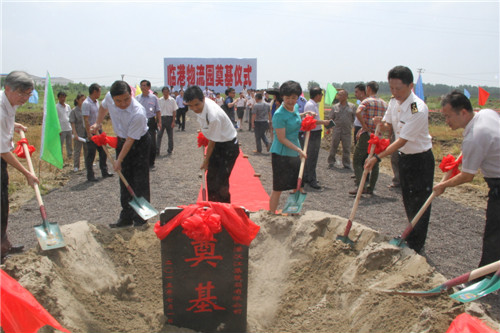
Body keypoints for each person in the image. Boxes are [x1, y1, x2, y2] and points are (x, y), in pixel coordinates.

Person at [365, 66, 434, 253]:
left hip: (420, 160)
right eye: (391, 88)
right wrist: (382, 122)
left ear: (410, 86)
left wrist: (377, 157)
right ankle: (411, 235)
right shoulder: (394, 102)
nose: (394, 93)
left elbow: (402, 139)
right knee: (408, 199)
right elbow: (389, 127)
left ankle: (416, 244)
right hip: (404, 158)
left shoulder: (417, 108)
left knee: (420, 202)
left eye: (399, 89)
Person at [434, 91, 500, 270]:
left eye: (448, 116)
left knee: (494, 233)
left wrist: (443, 185)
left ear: (463, 112)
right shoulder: (486, 113)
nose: (446, 121)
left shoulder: (474, 137)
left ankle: (484, 275)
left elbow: (467, 176)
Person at [92, 80, 151, 228]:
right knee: (124, 179)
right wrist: (98, 123)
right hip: (122, 140)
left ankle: (140, 219)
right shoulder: (109, 98)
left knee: (139, 180)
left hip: (139, 143)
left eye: (126, 99)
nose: (123, 103)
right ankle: (126, 217)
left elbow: (131, 140)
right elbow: (102, 108)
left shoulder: (138, 112)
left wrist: (119, 159)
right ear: (113, 98)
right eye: (119, 101)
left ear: (131, 94)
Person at [268, 81, 330, 214]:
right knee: (278, 187)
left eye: (294, 97)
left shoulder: (295, 108)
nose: (291, 101)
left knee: (298, 185)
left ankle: (294, 212)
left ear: (298, 97)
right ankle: (271, 215)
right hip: (281, 153)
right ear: (282, 97)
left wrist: (305, 114)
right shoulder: (279, 115)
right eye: (287, 98)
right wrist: (299, 150)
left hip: (295, 152)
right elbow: (281, 138)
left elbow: (295, 116)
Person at [1, 71, 39, 260]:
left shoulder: (10, 102)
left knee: (3, 201)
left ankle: (3, 241)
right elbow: (4, 152)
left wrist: (15, 125)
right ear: (8, 88)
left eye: (28, 95)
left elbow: (6, 122)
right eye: (22, 94)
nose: (25, 98)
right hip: (1, 154)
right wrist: (27, 174)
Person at [183, 85, 239, 203]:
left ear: (203, 99)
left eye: (196, 104)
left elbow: (212, 143)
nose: (194, 108)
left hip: (228, 146)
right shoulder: (202, 104)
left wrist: (205, 161)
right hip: (218, 142)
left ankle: (224, 211)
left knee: (221, 182)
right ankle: (213, 208)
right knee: (211, 179)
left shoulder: (213, 116)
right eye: (191, 106)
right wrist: (206, 134)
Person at [351, 81, 387, 195]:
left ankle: (361, 186)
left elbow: (358, 112)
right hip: (378, 136)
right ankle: (371, 187)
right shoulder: (384, 103)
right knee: (374, 162)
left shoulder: (367, 101)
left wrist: (364, 126)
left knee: (357, 160)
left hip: (367, 135)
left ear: (368, 89)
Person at [301, 87, 331, 190]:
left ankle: (307, 177)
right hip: (312, 133)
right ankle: (311, 179)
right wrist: (324, 122)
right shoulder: (310, 105)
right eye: (321, 95)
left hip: (315, 132)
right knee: (312, 156)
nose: (322, 97)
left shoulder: (313, 104)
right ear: (317, 95)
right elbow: (310, 120)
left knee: (311, 156)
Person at [82, 83, 113, 181]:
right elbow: (86, 120)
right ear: (95, 92)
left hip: (98, 130)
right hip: (91, 131)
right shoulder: (86, 103)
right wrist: (89, 134)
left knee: (103, 151)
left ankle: (104, 171)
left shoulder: (96, 102)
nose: (100, 93)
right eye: (99, 91)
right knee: (91, 154)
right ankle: (90, 176)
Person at [327, 89, 356, 170]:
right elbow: (331, 118)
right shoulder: (335, 107)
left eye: (341, 95)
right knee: (333, 147)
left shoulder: (352, 107)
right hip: (337, 130)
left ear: (346, 97)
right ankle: (331, 162)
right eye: (338, 95)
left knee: (346, 148)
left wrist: (354, 128)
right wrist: (328, 129)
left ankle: (346, 164)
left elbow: (355, 119)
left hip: (347, 131)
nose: (338, 96)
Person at [136, 80, 161, 168]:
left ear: (149, 87)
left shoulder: (154, 98)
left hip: (151, 121)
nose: (142, 87)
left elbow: (158, 111)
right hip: (141, 122)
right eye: (141, 85)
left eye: (144, 85)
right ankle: (143, 161)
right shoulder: (137, 98)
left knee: (152, 142)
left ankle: (151, 162)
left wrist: (159, 122)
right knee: (141, 141)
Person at [69, 93, 87, 172]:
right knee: (77, 150)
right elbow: (72, 123)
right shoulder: (74, 111)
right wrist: (75, 133)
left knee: (87, 149)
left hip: (85, 132)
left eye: (84, 100)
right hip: (78, 132)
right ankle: (76, 166)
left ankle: (88, 164)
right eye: (82, 100)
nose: (83, 101)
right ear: (77, 100)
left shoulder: (85, 109)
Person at [157, 87, 178, 156]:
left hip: (169, 118)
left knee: (170, 136)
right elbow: (158, 111)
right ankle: (157, 150)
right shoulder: (159, 100)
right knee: (159, 135)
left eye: (167, 92)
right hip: (162, 119)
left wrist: (173, 121)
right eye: (164, 92)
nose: (165, 93)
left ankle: (170, 150)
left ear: (169, 92)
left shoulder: (172, 100)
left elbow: (174, 111)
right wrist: (158, 121)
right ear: (162, 92)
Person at [56, 91, 73, 161]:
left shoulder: (68, 106)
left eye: (64, 97)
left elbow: (70, 116)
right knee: (60, 144)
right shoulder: (56, 107)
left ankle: (70, 156)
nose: (63, 99)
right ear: (58, 98)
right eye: (61, 97)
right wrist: (57, 129)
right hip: (61, 129)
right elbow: (55, 118)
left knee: (69, 143)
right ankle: (59, 158)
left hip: (69, 128)